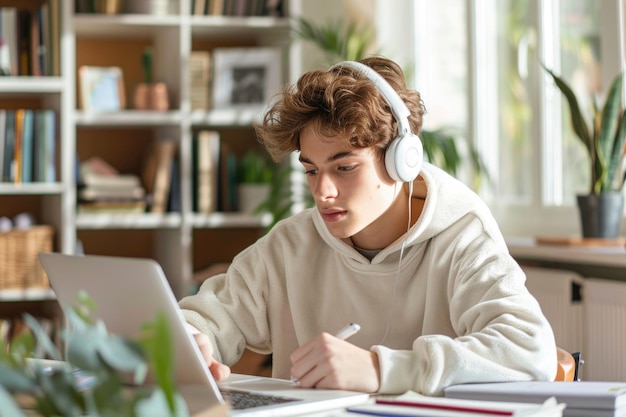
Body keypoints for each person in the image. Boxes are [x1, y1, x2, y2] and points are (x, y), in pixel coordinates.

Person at [179, 56, 557, 396]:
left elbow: (530, 350)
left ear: (400, 161)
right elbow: (207, 317)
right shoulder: (290, 245)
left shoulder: (462, 235)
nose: (322, 191)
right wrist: (194, 339)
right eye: (311, 170)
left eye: (344, 167)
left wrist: (380, 369)